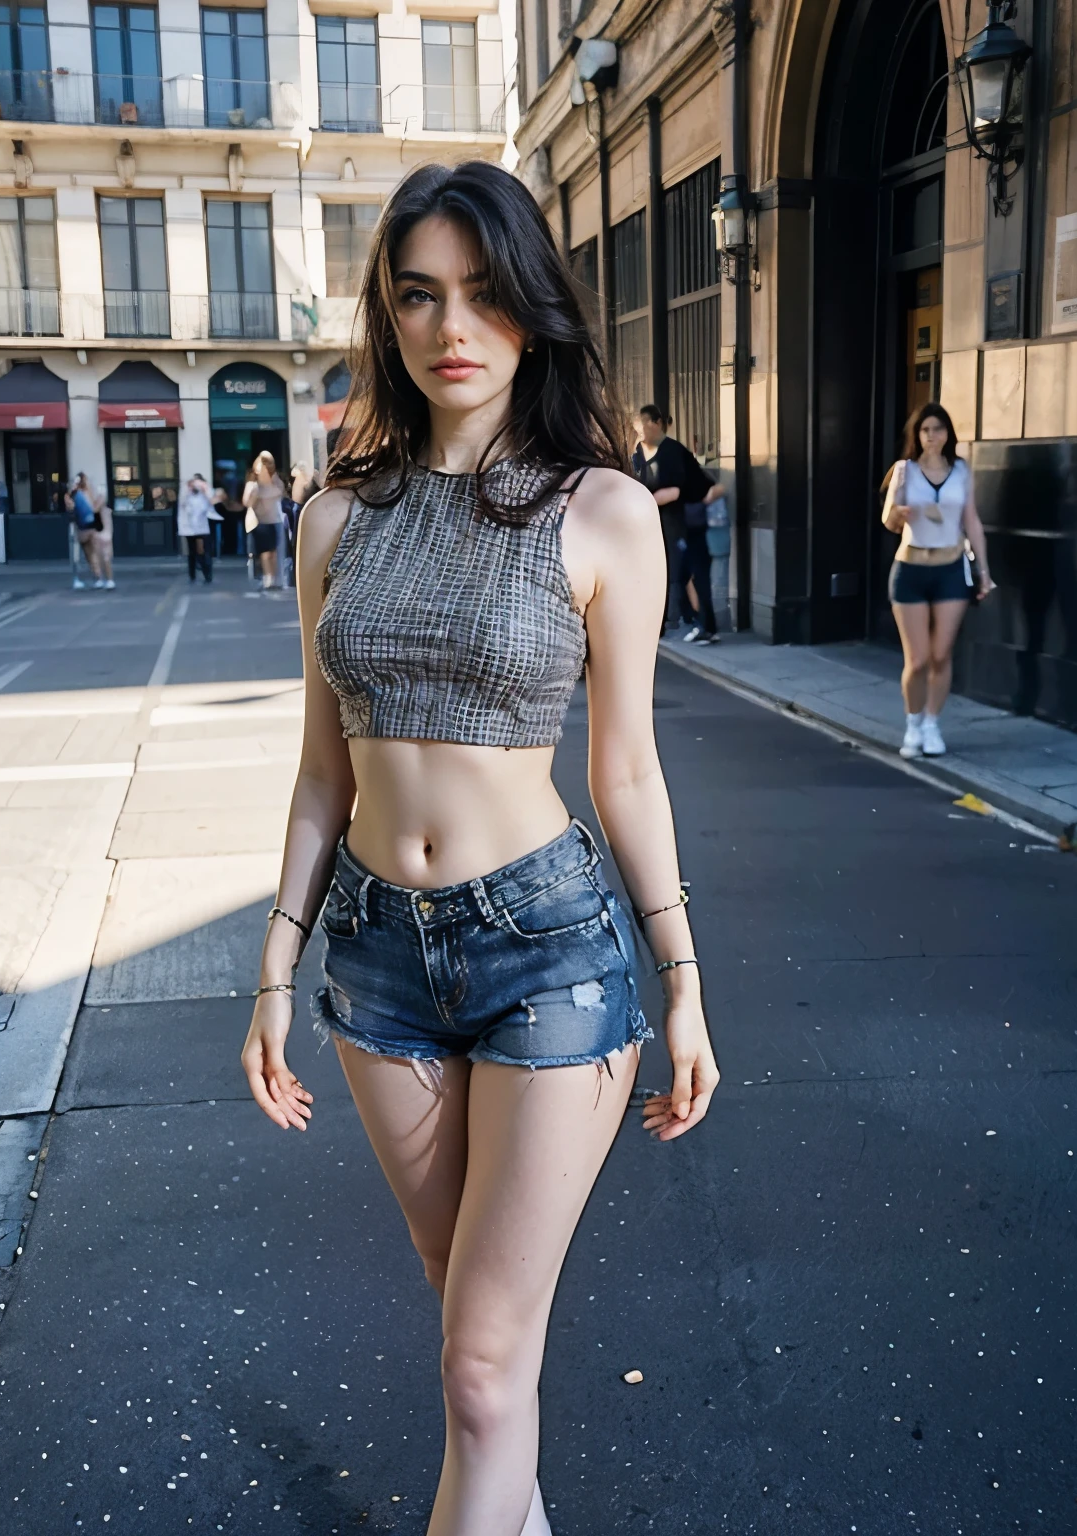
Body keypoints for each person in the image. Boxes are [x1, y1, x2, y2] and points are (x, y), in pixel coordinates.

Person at [239, 160, 718, 1536]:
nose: (454, 326)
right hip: (378, 963)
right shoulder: (335, 518)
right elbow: (323, 772)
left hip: (549, 951)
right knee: (472, 1340)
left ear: (531, 308)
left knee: (481, 1364)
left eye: (485, 293)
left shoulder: (604, 512)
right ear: (387, 320)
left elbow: (626, 768)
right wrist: (275, 968)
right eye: (418, 297)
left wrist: (682, 979)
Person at [882, 401, 994, 758]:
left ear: (948, 433)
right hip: (911, 569)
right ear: (917, 435)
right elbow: (889, 521)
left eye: (939, 428)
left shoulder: (961, 470)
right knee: (917, 660)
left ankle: (932, 724)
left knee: (941, 655)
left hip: (950, 568)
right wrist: (899, 512)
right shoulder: (905, 470)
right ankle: (913, 724)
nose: (933, 436)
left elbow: (972, 522)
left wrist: (984, 573)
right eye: (926, 429)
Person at [631, 405, 727, 643]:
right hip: (672, 525)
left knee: (686, 575)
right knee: (681, 576)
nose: (641, 429)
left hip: (687, 524)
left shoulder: (671, 452)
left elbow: (674, 491)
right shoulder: (643, 454)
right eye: (638, 424)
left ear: (658, 423)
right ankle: (697, 623)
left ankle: (701, 624)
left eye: (644, 423)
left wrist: (645, 504)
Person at [243, 451, 287, 589]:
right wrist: (255, 495)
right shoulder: (253, 485)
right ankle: (268, 578)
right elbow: (246, 502)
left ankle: (274, 579)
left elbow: (282, 493)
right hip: (260, 522)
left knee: (274, 552)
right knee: (265, 553)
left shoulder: (276, 481)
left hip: (275, 521)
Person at [67, 473, 113, 590]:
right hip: (85, 528)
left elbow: (95, 508)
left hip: (92, 527)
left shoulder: (88, 493)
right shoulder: (77, 494)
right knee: (91, 555)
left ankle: (106, 579)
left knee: (98, 554)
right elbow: (72, 509)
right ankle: (100, 578)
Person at [177, 472, 221, 584]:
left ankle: (207, 574)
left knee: (202, 551)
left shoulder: (204, 494)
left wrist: (205, 490)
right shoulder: (187, 494)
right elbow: (183, 504)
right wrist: (188, 488)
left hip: (202, 527)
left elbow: (213, 501)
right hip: (189, 528)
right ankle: (192, 575)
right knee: (192, 552)